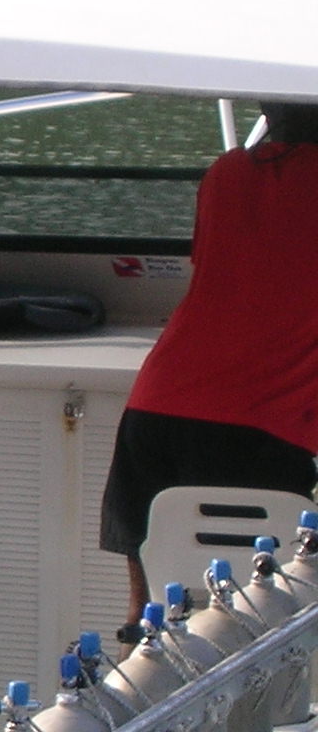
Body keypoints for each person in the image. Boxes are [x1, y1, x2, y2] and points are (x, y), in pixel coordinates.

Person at [100, 101, 318, 620]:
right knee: (254, 623)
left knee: (152, 613)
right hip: (260, 425)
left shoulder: (228, 173)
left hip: (156, 407)